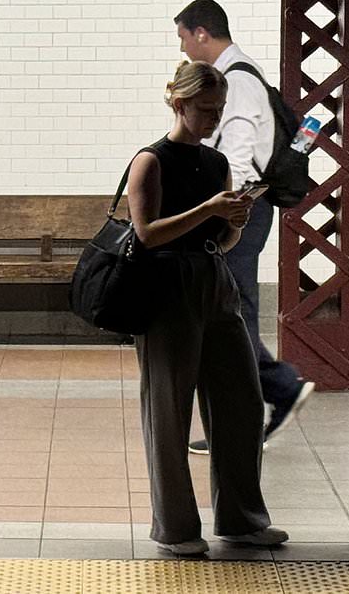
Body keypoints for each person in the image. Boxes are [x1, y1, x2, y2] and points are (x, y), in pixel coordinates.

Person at [126, 60, 288, 555]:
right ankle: (176, 528)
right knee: (169, 412)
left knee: (238, 401)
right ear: (179, 102)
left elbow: (222, 235)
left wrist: (234, 218)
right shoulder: (151, 161)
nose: (212, 120)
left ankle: (241, 518)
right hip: (167, 287)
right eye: (204, 110)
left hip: (214, 281)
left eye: (218, 111)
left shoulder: (215, 164)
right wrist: (210, 209)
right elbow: (147, 234)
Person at [174, 0, 316, 455]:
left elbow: (234, 152)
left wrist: (221, 209)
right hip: (240, 207)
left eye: (183, 37)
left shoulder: (237, 82)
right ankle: (241, 418)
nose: (182, 47)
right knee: (228, 312)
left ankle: (276, 392)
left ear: (201, 33)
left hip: (240, 208)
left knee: (231, 315)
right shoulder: (237, 77)